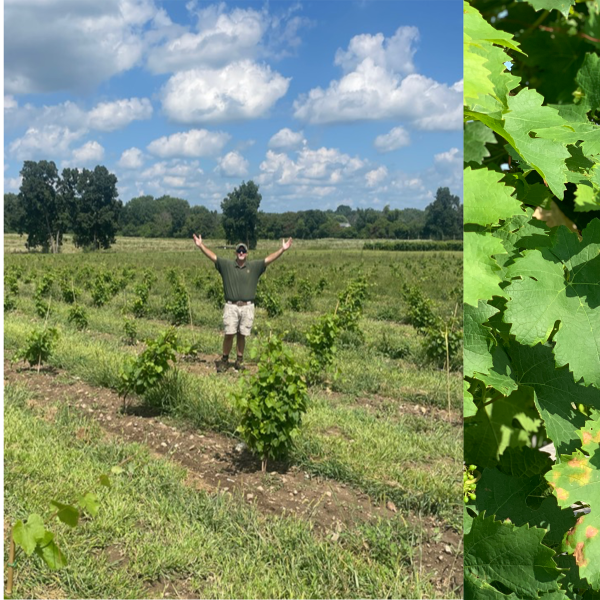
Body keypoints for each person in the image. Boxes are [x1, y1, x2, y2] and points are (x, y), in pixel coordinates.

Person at [192, 234, 293, 371]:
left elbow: (268, 259)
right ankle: (225, 360)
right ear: (235, 253)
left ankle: (239, 360)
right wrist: (201, 246)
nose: (241, 253)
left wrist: (282, 250)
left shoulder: (254, 267)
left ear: (247, 253)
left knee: (242, 334)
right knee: (229, 333)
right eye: (239, 251)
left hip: (247, 307)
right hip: (231, 306)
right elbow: (212, 256)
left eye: (243, 251)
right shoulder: (227, 265)